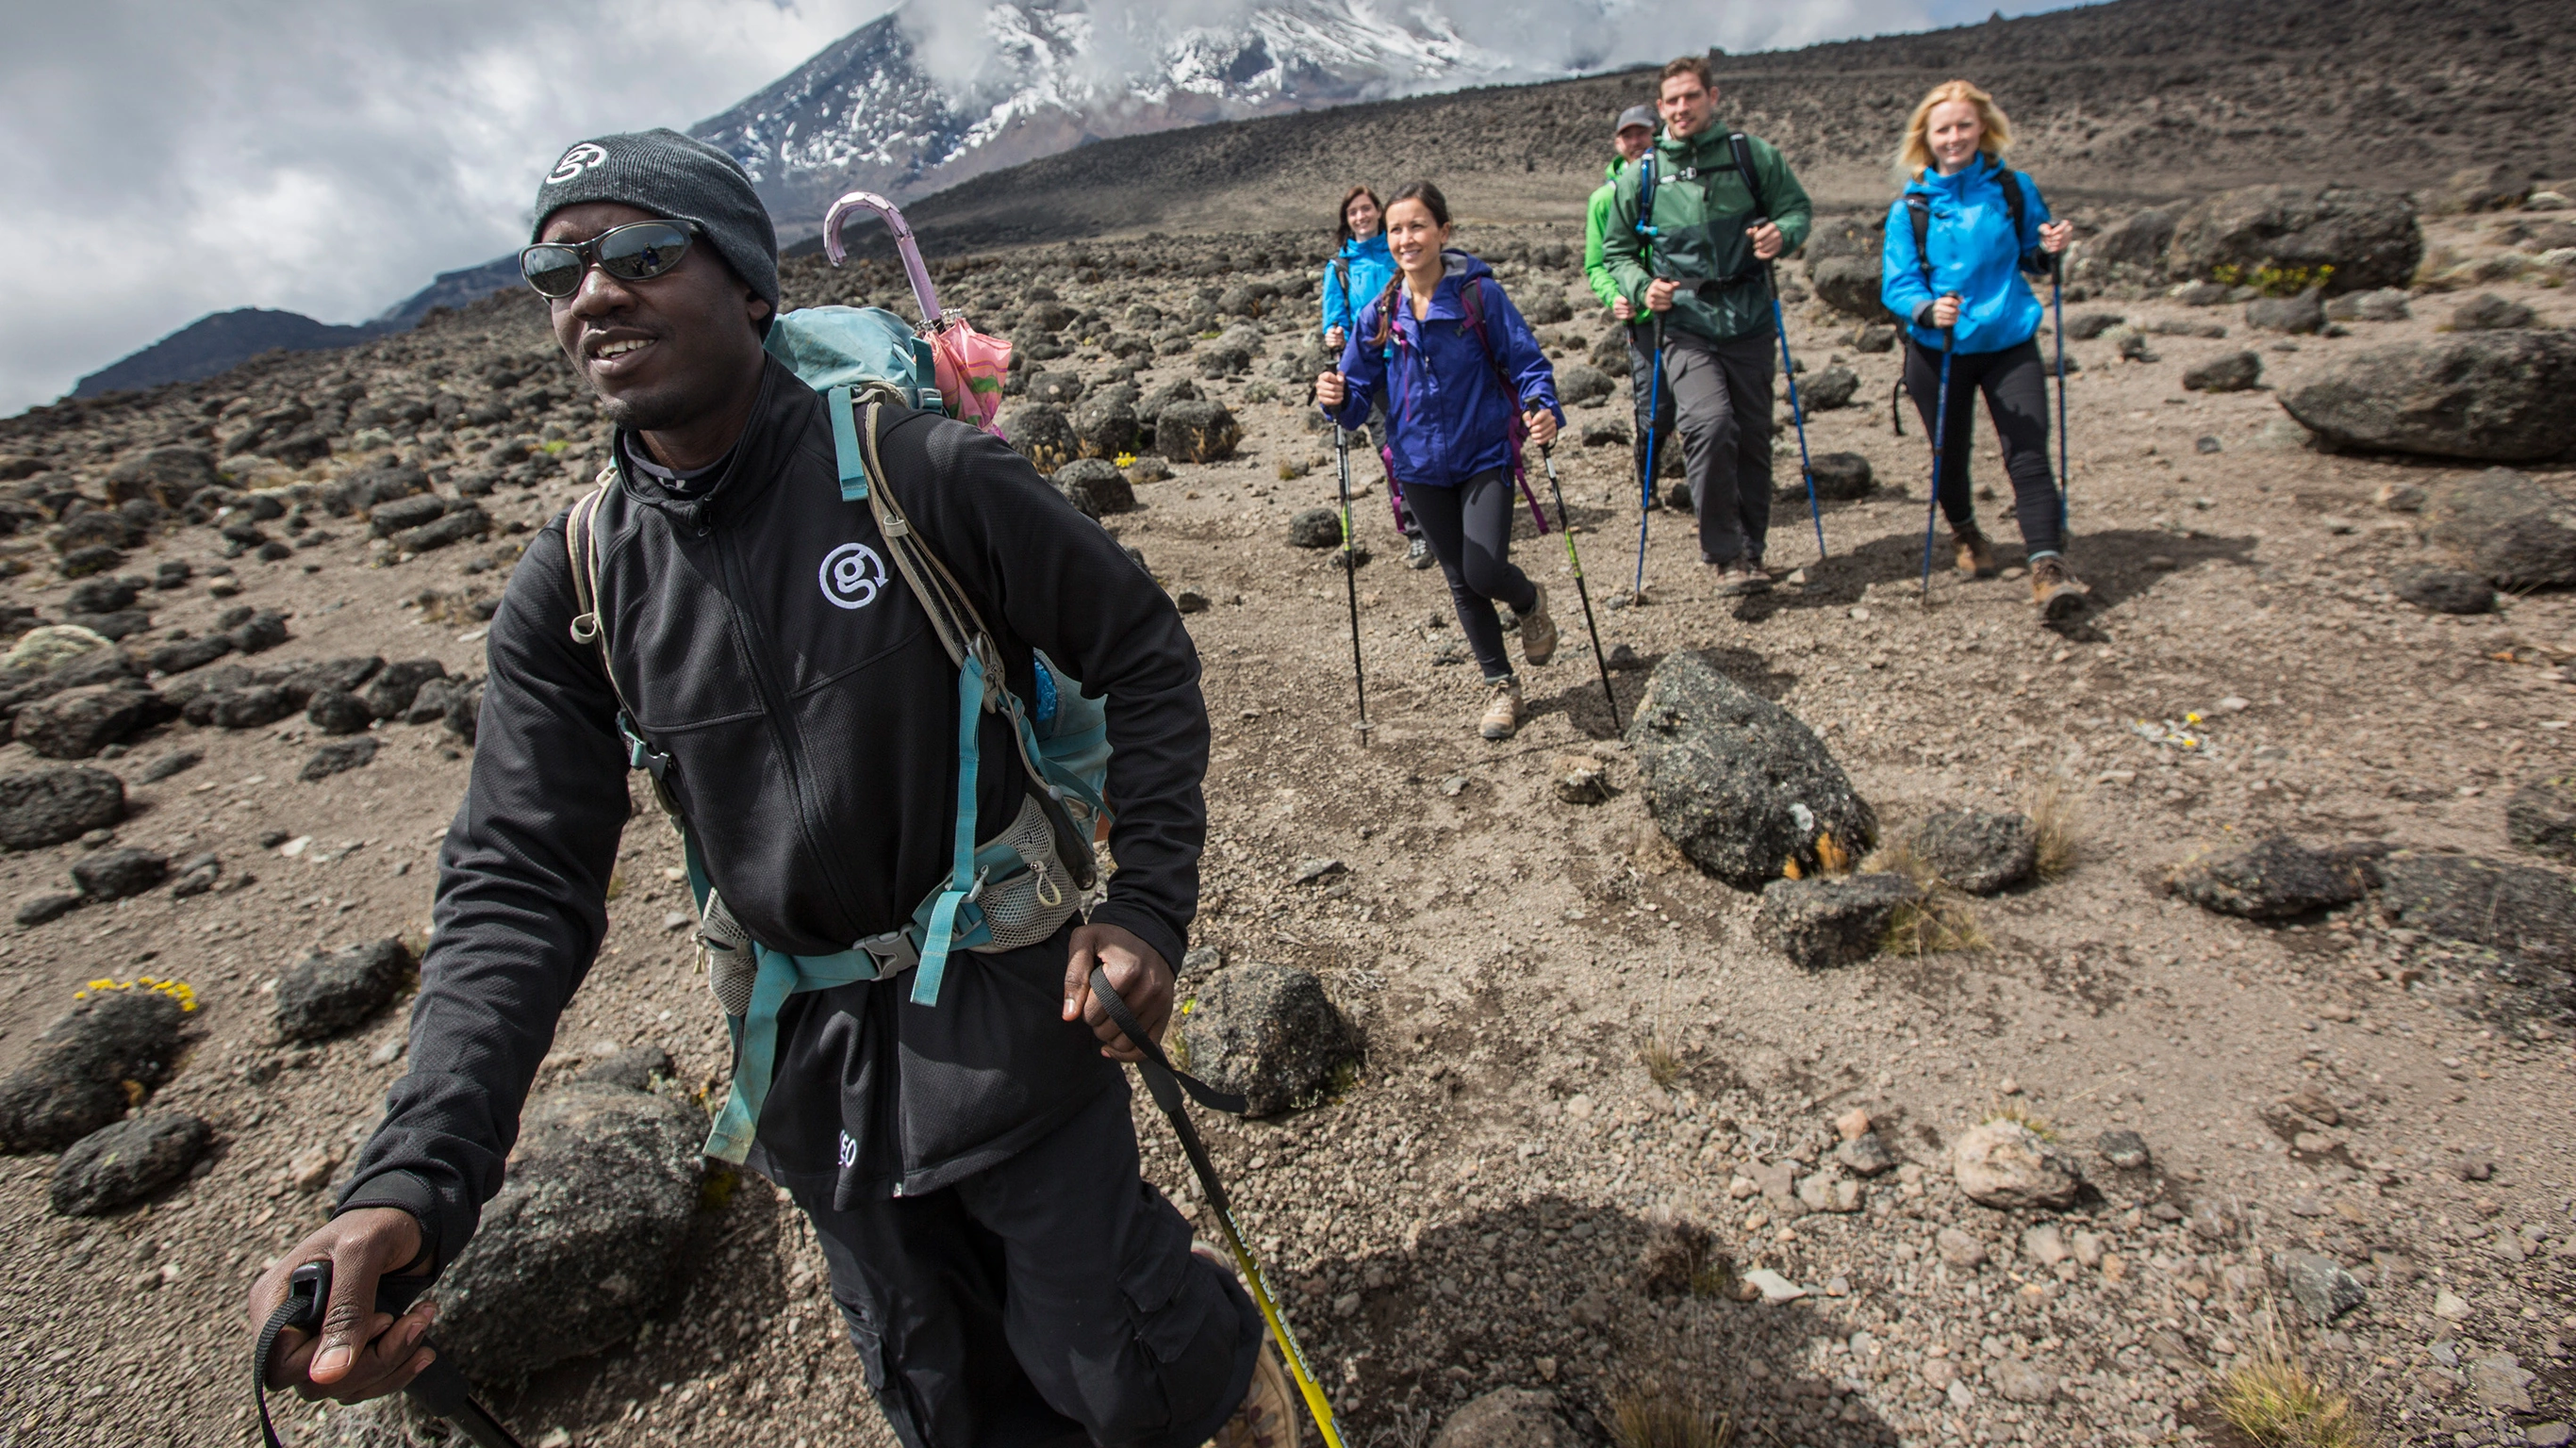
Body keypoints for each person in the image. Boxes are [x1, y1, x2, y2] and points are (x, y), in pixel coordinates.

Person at [244, 129, 1288, 1448]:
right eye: (556, 270)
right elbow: (518, 880)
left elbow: (1141, 650)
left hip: (1017, 1005)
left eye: (639, 252)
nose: (594, 292)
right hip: (805, 1068)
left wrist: (1146, 909)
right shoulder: (575, 584)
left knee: (1117, 1364)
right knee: (937, 1391)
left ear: (748, 285)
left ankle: (1221, 1375)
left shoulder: (919, 473)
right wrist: (411, 1182)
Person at [1314, 181, 1565, 742]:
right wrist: (1335, 398)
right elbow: (1356, 398)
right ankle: (1501, 685)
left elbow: (1526, 363)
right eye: (1397, 229)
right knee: (1459, 580)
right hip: (1418, 464)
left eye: (1418, 226)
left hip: (1484, 455)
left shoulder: (1479, 296)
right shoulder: (1380, 312)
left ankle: (1527, 599)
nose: (1406, 238)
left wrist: (1542, 407)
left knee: (1481, 569)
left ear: (1443, 231)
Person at [1598, 55, 1812, 597]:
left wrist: (1781, 235)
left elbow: (1796, 209)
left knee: (1754, 438)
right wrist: (1640, 286)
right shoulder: (1643, 174)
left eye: (1691, 96)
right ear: (1662, 106)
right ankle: (1723, 553)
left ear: (1712, 98)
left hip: (1750, 316)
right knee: (1710, 425)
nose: (1681, 107)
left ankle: (1752, 549)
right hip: (1685, 325)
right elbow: (1617, 251)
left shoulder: (1750, 155)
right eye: (1671, 100)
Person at [1879, 78, 2086, 619]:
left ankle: (2048, 565)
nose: (1954, 137)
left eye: (1963, 126)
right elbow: (1897, 283)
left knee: (2028, 449)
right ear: (1926, 136)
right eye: (1943, 128)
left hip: (2008, 336)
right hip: (1938, 347)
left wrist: (2049, 247)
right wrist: (1927, 309)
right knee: (1950, 450)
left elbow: (2034, 254)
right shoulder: (1912, 206)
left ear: (1983, 129)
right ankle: (1966, 533)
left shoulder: (2014, 189)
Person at [1319, 185, 1428, 568]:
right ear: (1346, 220)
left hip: (1413, 361)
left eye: (1366, 209)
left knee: (1428, 438)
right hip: (1371, 372)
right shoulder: (1340, 268)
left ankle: (1444, 518)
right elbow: (1334, 319)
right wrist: (1333, 333)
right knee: (1392, 450)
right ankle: (1417, 532)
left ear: (1380, 212)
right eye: (1353, 212)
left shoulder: (1399, 250)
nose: (1361, 216)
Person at [1582, 105, 1673, 508]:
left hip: (1688, 307)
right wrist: (1615, 295)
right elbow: (1596, 263)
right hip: (1644, 316)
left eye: (1643, 133)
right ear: (1618, 143)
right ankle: (1648, 479)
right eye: (1628, 136)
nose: (1636, 142)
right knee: (1654, 404)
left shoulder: (1675, 184)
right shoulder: (1605, 199)